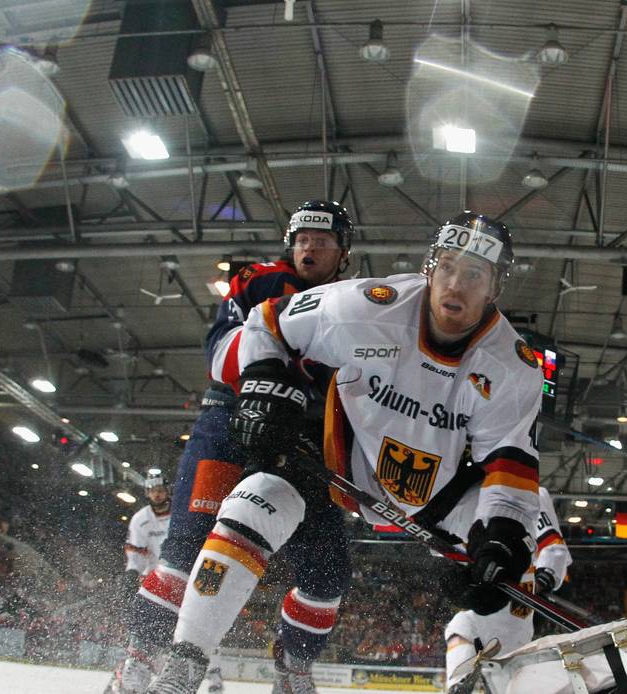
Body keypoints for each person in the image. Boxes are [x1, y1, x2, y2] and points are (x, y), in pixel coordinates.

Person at [147, 212, 545, 694]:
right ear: (429, 267)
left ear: (494, 288)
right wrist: (264, 381)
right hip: (341, 465)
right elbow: (267, 323)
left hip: (440, 496)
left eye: (475, 274)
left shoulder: (515, 367)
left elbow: (512, 467)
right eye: (447, 266)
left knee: (512, 571)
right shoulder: (364, 306)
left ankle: (498, 684)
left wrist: (500, 538)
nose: (455, 285)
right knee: (254, 499)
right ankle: (184, 665)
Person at [106, 201, 353, 694]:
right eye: (302, 239)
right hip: (233, 422)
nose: (309, 247)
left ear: (343, 252)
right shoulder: (258, 280)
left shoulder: (356, 305)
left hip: (307, 444)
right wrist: (276, 373)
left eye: (322, 241)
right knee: (183, 551)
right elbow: (220, 355)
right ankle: (136, 665)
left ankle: (293, 665)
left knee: (329, 573)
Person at [443, 486, 572, 691]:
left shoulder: (530, 493)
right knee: (461, 626)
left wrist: (542, 580)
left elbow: (553, 547)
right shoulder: (465, 491)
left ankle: (459, 684)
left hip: (515, 591)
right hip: (482, 591)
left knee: (478, 638)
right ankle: (458, 685)